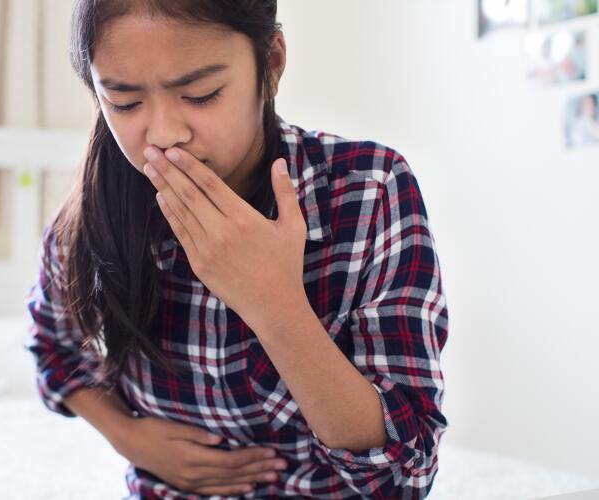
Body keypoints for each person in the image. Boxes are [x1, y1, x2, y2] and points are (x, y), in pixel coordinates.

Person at [24, 1, 449, 498]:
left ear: (271, 63)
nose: (163, 136)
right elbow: (49, 346)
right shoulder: (94, 212)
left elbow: (404, 477)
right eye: (124, 102)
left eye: (200, 95)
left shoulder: (367, 188)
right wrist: (130, 438)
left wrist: (274, 303)